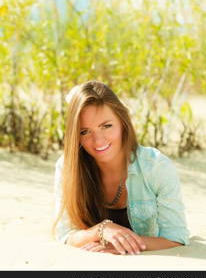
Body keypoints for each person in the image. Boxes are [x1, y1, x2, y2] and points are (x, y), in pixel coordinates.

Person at [52, 80, 189, 255]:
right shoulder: (67, 166)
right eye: (84, 131)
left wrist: (122, 245)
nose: (98, 141)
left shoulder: (156, 166)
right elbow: (65, 234)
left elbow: (175, 238)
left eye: (106, 126)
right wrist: (103, 229)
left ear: (123, 123)